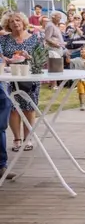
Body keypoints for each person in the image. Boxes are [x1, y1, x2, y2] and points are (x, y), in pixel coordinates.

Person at [0, 12, 42, 152]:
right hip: (10, 77)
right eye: (11, 21)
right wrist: (6, 59)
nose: (15, 23)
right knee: (13, 107)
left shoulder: (35, 38)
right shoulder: (4, 39)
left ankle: (28, 139)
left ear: (23, 22)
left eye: (18, 20)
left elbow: (41, 59)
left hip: (29, 77)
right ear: (8, 24)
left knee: (29, 107)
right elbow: (1, 57)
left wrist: (28, 57)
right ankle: (17, 139)